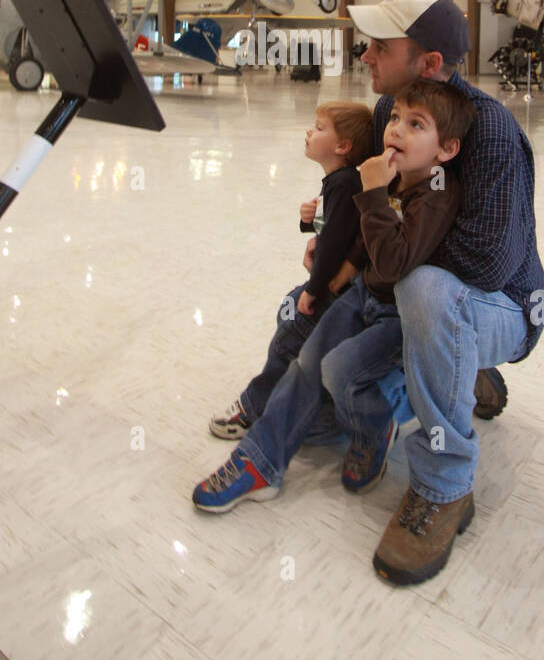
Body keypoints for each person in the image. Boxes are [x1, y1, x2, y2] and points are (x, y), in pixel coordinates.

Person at [337, 0, 544, 585]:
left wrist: (397, 249)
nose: (367, 55)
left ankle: (443, 487)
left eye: (382, 46)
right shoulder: (391, 113)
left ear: (430, 64)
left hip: (506, 303)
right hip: (434, 288)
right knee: (387, 286)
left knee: (425, 291)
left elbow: (489, 262)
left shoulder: (493, 134)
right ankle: (454, 365)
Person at [193, 80, 474, 514]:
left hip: (397, 314)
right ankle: (259, 464)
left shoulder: (437, 192)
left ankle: (373, 426)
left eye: (416, 124)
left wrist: (377, 192)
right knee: (307, 363)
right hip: (363, 292)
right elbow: (365, 238)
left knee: (338, 370)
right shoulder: (394, 175)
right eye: (395, 118)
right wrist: (341, 273)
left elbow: (396, 260)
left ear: (447, 150)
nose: (397, 130)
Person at [209, 101, 373, 440]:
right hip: (329, 283)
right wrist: (307, 221)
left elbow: (333, 245)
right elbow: (330, 233)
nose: (309, 132)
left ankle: (253, 408)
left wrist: (313, 289)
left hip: (332, 289)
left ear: (343, 147)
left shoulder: (344, 184)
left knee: (289, 334)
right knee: (288, 321)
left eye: (320, 128)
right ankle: (287, 395)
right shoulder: (336, 182)